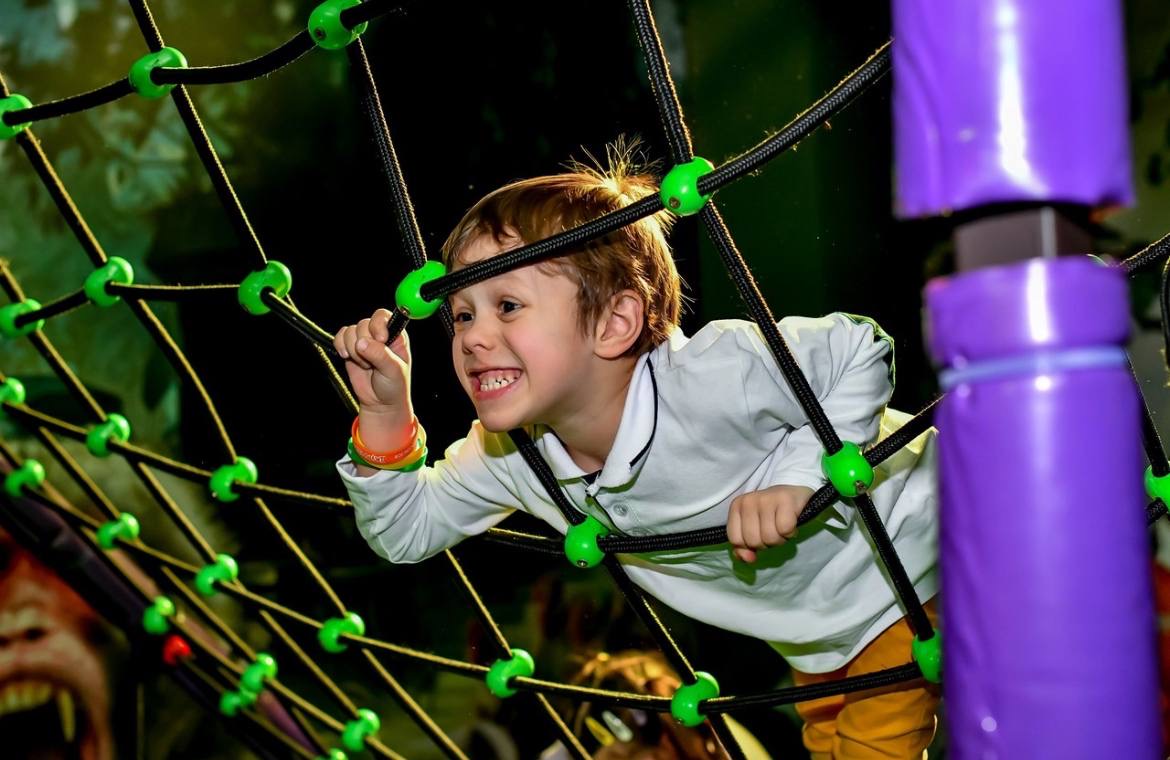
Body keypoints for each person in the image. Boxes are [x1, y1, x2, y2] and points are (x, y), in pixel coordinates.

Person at [333, 148, 940, 758]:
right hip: (820, 632)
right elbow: (405, 532)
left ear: (614, 322)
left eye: (507, 306)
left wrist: (798, 478)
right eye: (463, 314)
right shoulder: (515, 454)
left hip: (914, 557)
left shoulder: (711, 375)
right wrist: (386, 416)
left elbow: (858, 348)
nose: (472, 337)